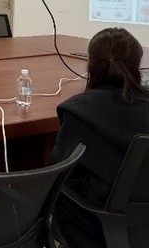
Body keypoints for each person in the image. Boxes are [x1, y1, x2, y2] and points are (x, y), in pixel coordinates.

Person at [49, 27, 149, 248]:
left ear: (91, 66)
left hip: (97, 228)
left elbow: (58, 172)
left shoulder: (79, 111)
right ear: (137, 66)